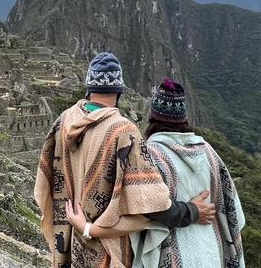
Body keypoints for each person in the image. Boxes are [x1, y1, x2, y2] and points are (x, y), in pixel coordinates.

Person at [35, 52, 215, 268]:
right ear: (119, 90)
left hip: (70, 241)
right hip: (105, 249)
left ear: (89, 87)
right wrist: (192, 212)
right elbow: (150, 204)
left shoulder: (63, 121)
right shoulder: (123, 131)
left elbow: (47, 179)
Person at [129, 79, 245, 268]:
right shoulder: (209, 152)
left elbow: (145, 205)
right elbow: (232, 210)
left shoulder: (149, 154)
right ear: (184, 117)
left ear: (152, 115)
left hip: (172, 256)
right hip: (212, 253)